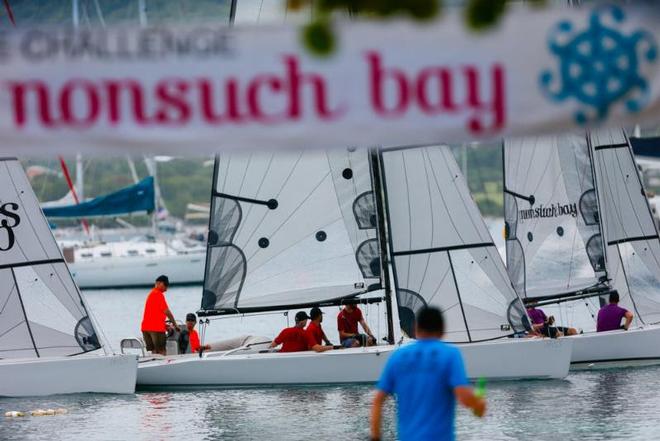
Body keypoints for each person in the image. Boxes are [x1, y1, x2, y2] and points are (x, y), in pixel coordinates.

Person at [370, 307, 486, 441]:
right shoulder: (450, 355)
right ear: (442, 330)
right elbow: (464, 397)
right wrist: (479, 404)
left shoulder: (397, 357)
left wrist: (375, 436)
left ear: (416, 328)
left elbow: (378, 401)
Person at [140, 275, 179, 355]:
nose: (166, 289)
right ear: (158, 283)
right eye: (165, 285)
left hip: (145, 328)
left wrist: (165, 325)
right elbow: (167, 312)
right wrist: (175, 325)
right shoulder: (158, 294)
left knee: (154, 351)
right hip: (156, 328)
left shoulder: (151, 294)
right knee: (162, 351)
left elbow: (153, 315)